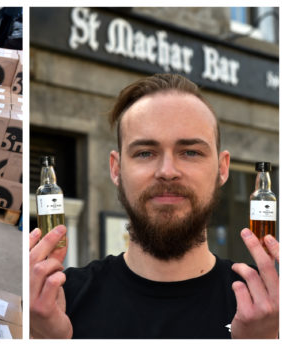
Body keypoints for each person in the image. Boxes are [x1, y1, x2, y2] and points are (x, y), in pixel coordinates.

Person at [29, 74, 279, 338]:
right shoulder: (57, 303)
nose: (167, 171)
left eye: (191, 152)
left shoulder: (265, 310)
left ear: (222, 168)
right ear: (116, 169)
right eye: (145, 153)